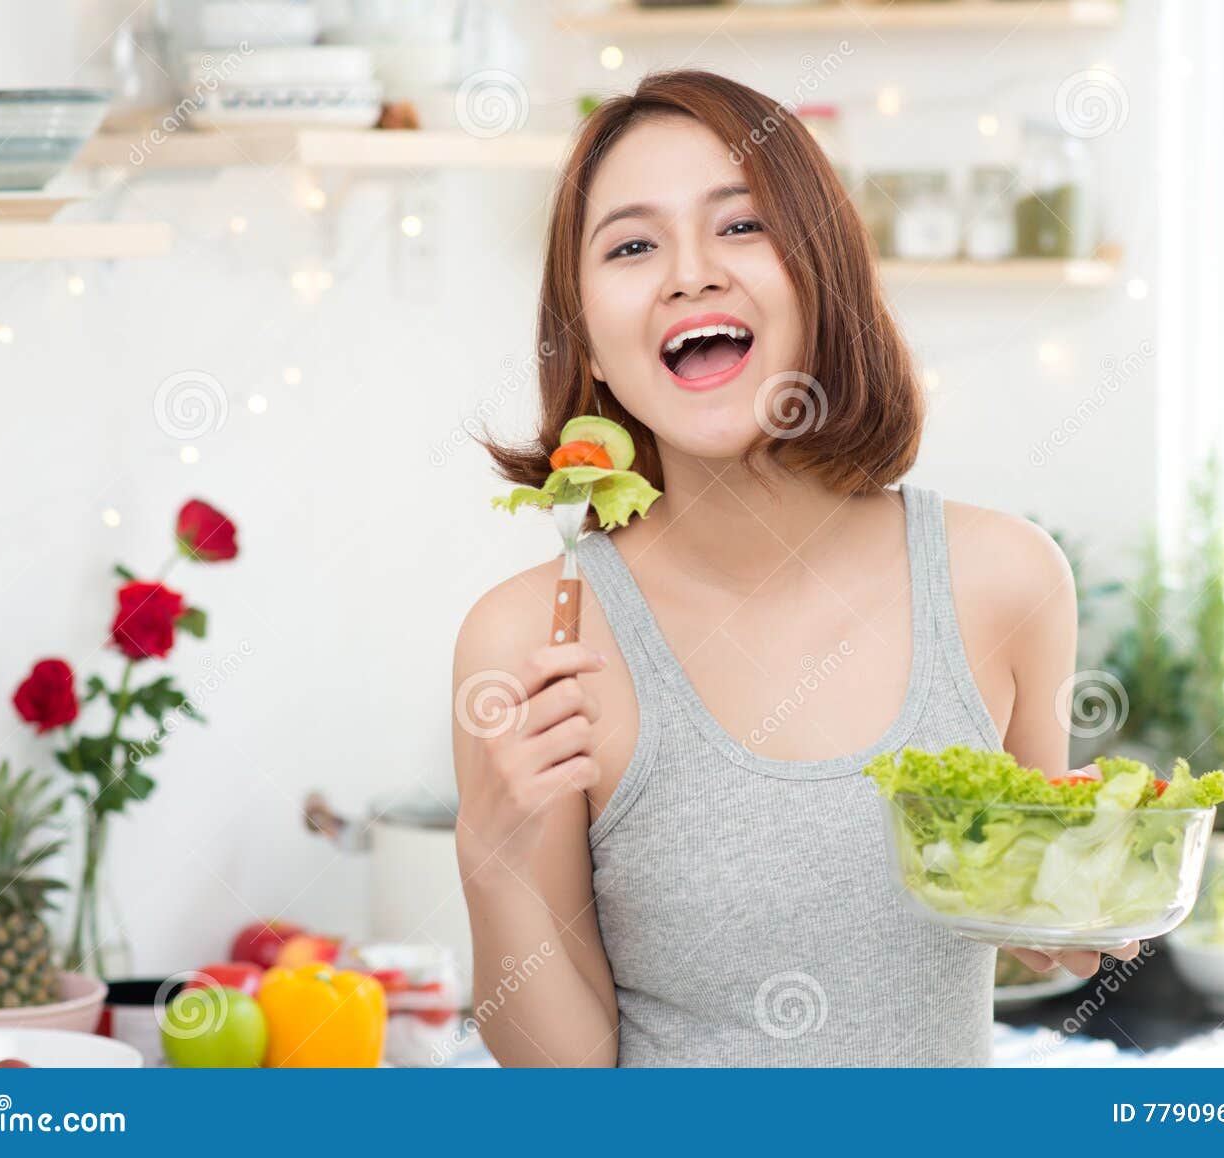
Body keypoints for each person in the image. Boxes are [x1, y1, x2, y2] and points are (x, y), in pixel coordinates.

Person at [452, 70, 1136, 1067]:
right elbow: (566, 1084)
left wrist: (1088, 896)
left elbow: (1040, 932)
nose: (688, 274)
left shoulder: (1005, 581)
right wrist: (489, 859)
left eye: (740, 227)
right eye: (633, 246)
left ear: (823, 276)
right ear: (589, 339)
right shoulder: (533, 642)